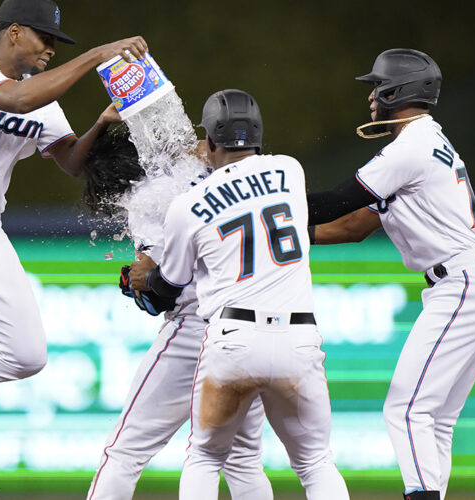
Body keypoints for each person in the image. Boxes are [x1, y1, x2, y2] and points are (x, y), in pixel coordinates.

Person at [0, 0, 149, 497]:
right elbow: (14, 101)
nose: (52, 49)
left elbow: (72, 162)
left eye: (57, 43)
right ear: (13, 32)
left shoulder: (41, 96)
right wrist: (99, 55)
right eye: (44, 38)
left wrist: (100, 124)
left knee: (29, 356)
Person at [305, 48, 475, 500]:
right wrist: (276, 235)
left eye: (376, 87)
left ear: (398, 91)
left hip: (465, 283)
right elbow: (349, 227)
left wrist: (266, 201)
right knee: (434, 417)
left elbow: (331, 202)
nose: (371, 97)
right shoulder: (423, 144)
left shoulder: (411, 146)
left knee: (405, 409)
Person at [129, 89, 349, 500]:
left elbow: (169, 286)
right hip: (298, 339)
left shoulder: (187, 204)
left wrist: (142, 280)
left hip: (233, 340)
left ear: (209, 141)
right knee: (316, 462)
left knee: (205, 458)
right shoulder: (290, 170)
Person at [82, 126, 272, 500]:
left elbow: (159, 289)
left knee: (125, 450)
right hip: (252, 323)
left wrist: (137, 282)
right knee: (243, 460)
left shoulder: (144, 199)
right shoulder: (205, 169)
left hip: (197, 327)